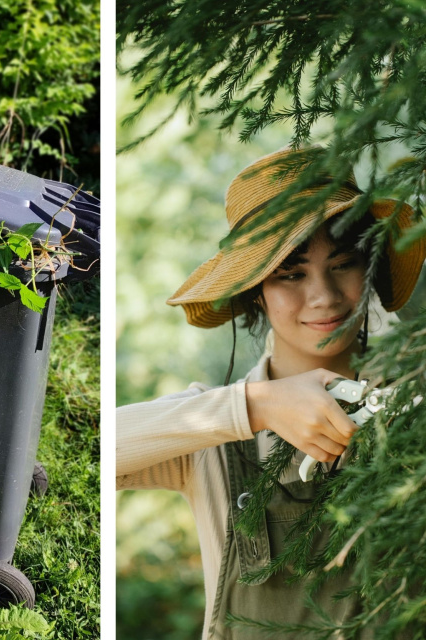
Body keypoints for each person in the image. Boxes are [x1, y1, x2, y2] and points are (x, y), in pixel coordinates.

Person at [117, 146, 426, 638]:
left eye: (343, 264)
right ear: (255, 288)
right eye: (291, 274)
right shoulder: (214, 433)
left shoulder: (414, 402)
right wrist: (255, 407)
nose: (323, 296)